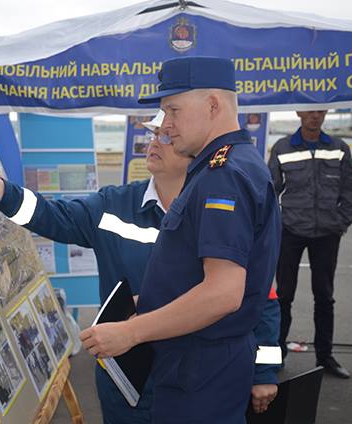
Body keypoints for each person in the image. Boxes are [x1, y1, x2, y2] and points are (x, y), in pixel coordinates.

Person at [0, 85, 281, 423]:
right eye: (152, 135)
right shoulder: (115, 204)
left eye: (166, 137)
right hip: (125, 377)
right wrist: (3, 192)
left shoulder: (218, 206)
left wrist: (264, 371)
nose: (154, 143)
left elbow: (260, 295)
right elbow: (55, 217)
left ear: (192, 151)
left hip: (192, 376)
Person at [79, 56, 281, 423]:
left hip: (200, 368)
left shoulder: (223, 176)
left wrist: (131, 332)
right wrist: (150, 301)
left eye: (173, 110)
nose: (166, 124)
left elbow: (223, 293)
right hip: (201, 364)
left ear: (213, 105)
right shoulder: (229, 165)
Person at [268, 110, 352, 379]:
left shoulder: (339, 148)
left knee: (324, 296)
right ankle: (274, 357)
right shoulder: (283, 147)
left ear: (326, 113)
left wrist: (340, 222)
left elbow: (350, 189)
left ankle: (325, 357)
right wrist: (278, 225)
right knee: (283, 296)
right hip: (290, 232)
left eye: (320, 111)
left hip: (327, 234)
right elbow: (270, 190)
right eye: (310, 111)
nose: (315, 116)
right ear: (299, 112)